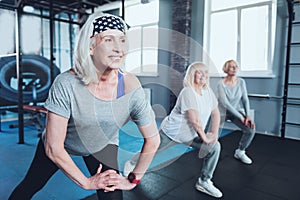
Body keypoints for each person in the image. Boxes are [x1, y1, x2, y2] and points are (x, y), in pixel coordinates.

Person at [9, 12, 160, 200]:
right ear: (90, 47)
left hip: (102, 145)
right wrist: (86, 182)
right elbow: (54, 149)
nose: (118, 49)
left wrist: (134, 179)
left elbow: (153, 140)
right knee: (31, 185)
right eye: (108, 40)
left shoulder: (131, 87)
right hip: (62, 144)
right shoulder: (66, 83)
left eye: (122, 40)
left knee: (113, 197)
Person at [124, 62, 223, 198]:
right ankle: (132, 163)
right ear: (192, 75)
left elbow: (216, 113)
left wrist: (215, 133)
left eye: (205, 72)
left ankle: (204, 181)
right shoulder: (188, 92)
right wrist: (205, 138)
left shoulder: (208, 92)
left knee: (215, 147)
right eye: (199, 72)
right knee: (152, 152)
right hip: (171, 133)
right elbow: (194, 119)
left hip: (191, 135)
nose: (203, 75)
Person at [217, 59, 255, 165]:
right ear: (226, 69)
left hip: (236, 111)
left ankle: (240, 151)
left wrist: (247, 116)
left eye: (236, 66)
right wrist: (241, 117)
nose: (234, 68)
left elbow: (245, 99)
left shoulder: (241, 82)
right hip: (221, 112)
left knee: (250, 129)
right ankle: (207, 149)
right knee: (209, 132)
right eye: (231, 66)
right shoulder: (221, 84)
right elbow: (226, 104)